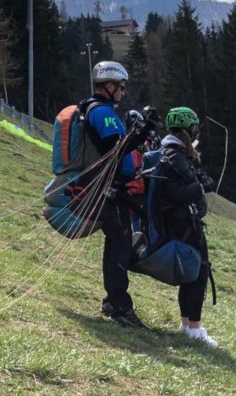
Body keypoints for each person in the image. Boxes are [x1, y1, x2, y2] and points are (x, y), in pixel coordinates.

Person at [84, 61, 148, 328]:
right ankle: (119, 306)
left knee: (116, 244)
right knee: (120, 247)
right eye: (120, 87)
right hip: (110, 191)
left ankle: (114, 301)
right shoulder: (103, 113)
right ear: (109, 86)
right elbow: (115, 152)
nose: (123, 91)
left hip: (109, 189)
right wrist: (139, 135)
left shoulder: (98, 110)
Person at [158, 107, 218, 347]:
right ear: (187, 129)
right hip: (182, 223)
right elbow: (175, 193)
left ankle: (187, 325)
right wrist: (200, 186)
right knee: (198, 271)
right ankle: (193, 328)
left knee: (195, 272)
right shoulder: (174, 156)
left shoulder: (173, 152)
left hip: (181, 222)